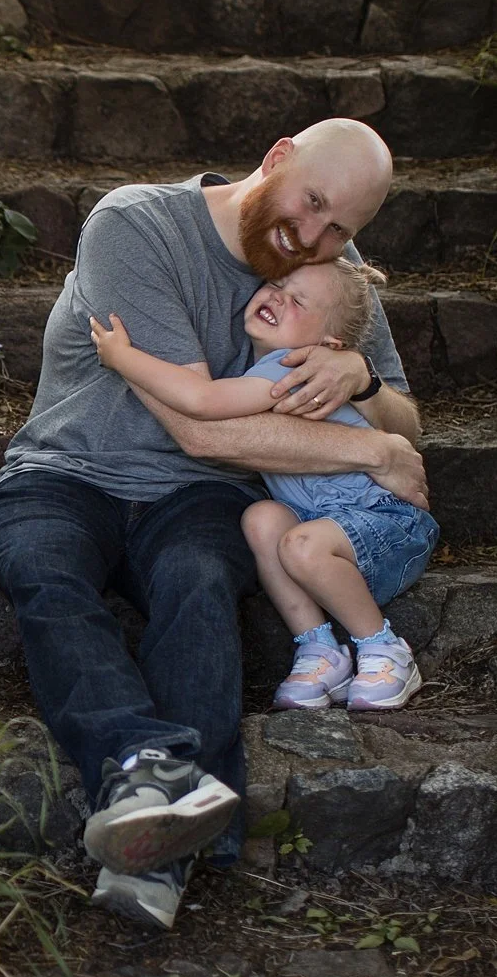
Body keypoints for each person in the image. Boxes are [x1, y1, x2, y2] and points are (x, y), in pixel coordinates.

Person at [0, 117, 428, 931]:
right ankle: (142, 765)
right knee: (47, 578)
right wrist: (369, 455)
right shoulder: (136, 225)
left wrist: (362, 378)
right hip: (63, 473)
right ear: (275, 156)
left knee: (199, 583)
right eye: (314, 203)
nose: (314, 237)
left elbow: (407, 420)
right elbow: (199, 423)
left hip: (195, 494)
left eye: (342, 229)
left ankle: (165, 851)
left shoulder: (334, 269)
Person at [88, 257, 439, 713]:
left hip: (387, 525)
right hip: (325, 527)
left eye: (297, 301)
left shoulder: (289, 368)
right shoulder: (265, 371)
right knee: (260, 517)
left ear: (328, 345)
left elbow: (203, 400)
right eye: (275, 284)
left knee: (301, 544)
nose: (276, 297)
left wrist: (123, 358)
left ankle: (383, 646)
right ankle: (319, 650)